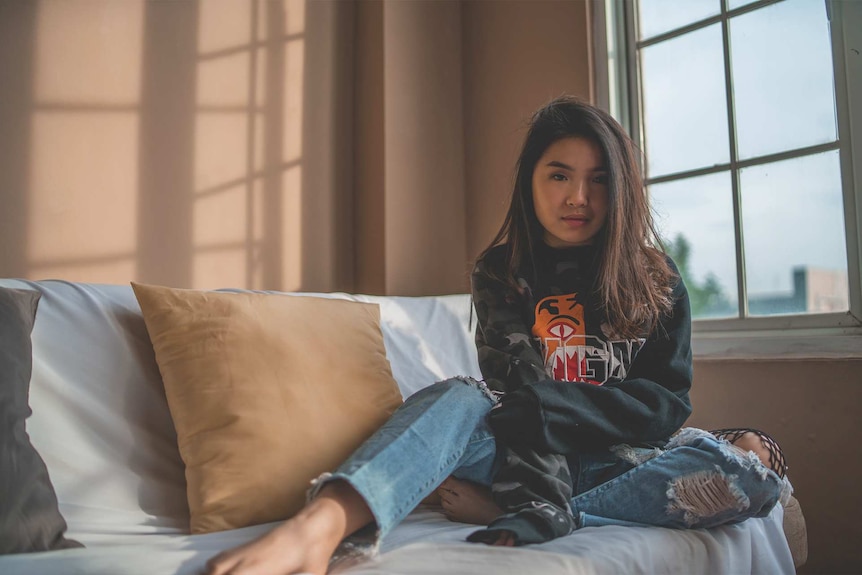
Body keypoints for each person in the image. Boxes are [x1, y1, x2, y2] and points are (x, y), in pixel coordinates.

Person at [205, 96, 790, 575]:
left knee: (751, 475)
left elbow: (663, 404)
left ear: (622, 190)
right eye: (558, 175)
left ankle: (564, 514)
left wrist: (532, 507)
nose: (577, 197)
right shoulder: (501, 270)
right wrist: (545, 459)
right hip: (516, 453)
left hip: (621, 461)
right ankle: (320, 526)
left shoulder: (656, 278)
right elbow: (522, 397)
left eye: (598, 180)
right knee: (460, 396)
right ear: (530, 181)